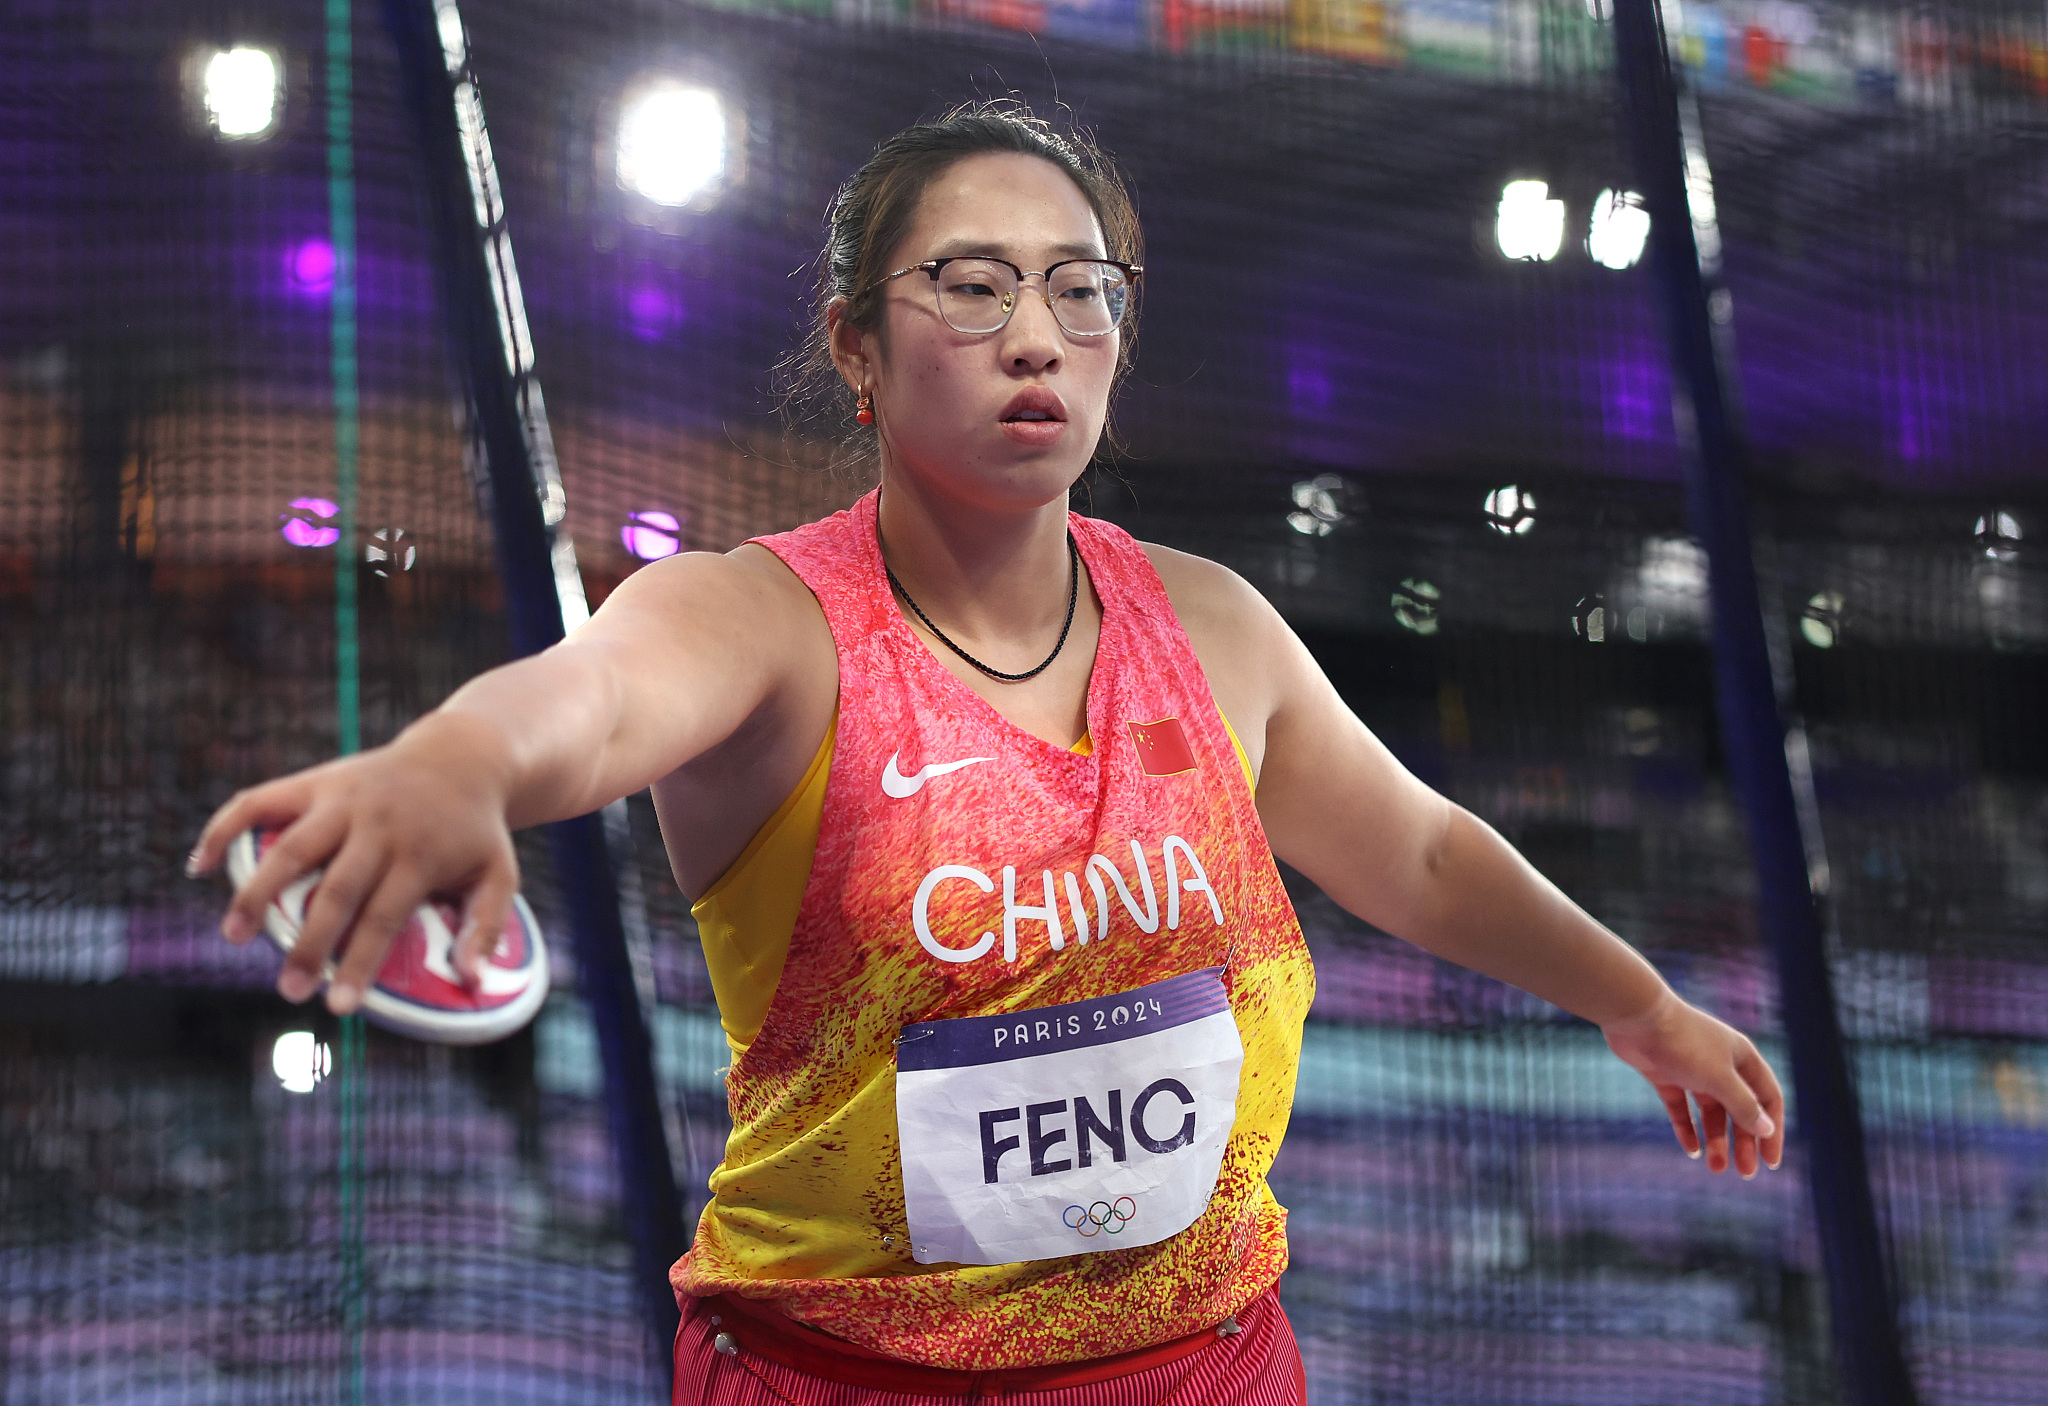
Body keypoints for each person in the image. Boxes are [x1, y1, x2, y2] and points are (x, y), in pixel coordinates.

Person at [190, 101, 1785, 1405]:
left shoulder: (1212, 624)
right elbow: (592, 698)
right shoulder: (769, 622)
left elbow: (1424, 850)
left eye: (1080, 287)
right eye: (971, 282)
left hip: (1208, 1364)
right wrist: (456, 758)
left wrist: (1636, 1004)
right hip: (838, 1378)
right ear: (858, 352)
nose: (1037, 330)